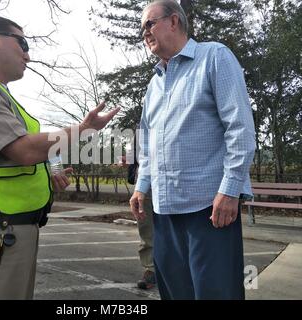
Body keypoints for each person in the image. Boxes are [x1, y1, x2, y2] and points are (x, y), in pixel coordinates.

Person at [0, 15, 119, 300]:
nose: (28, 54)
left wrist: (46, 176)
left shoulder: (2, 97)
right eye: (22, 43)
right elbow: (23, 150)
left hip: (10, 229)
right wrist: (83, 129)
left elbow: (10, 160)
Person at [129, 0, 256, 300]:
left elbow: (240, 127)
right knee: (175, 293)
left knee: (215, 293)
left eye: (149, 24)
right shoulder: (153, 85)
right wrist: (141, 186)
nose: (144, 33)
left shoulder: (214, 57)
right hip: (164, 210)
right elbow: (147, 143)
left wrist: (230, 190)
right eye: (141, 28)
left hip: (210, 209)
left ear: (174, 21)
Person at [125, 127, 155, 290]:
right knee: (146, 227)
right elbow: (136, 154)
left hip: (177, 181)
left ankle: (179, 269)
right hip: (146, 183)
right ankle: (151, 269)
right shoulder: (144, 124)